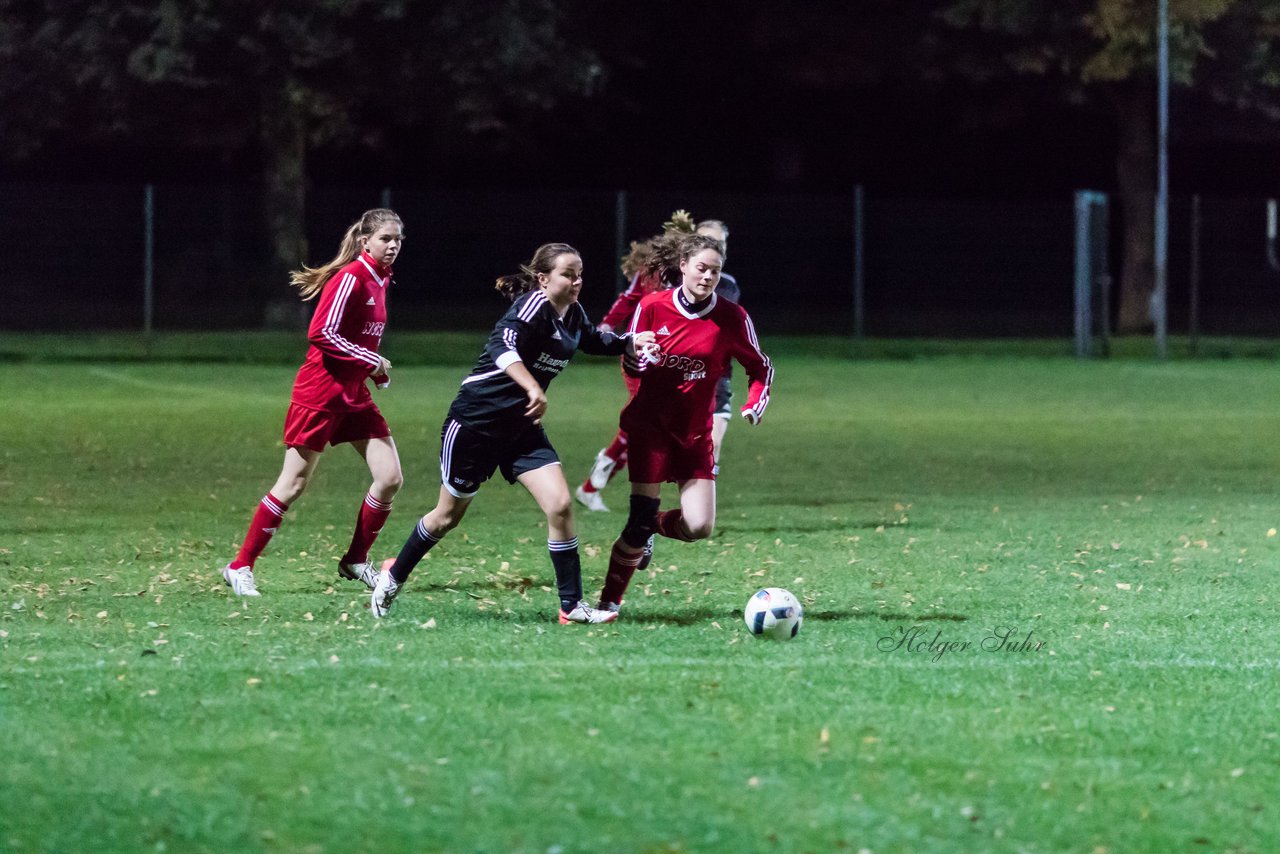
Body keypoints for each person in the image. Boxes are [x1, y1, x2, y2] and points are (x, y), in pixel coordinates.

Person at [371, 243, 656, 623]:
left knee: (560, 505)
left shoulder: (572, 313)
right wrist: (532, 387)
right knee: (446, 516)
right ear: (543, 278)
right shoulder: (530, 307)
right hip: (476, 425)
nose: (577, 281)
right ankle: (393, 576)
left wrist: (628, 341)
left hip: (521, 429)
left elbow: (590, 338)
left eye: (579, 274)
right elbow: (501, 347)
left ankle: (571, 607)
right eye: (568, 274)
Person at [220, 208, 405, 597]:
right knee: (293, 484)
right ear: (365, 241)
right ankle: (239, 567)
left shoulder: (381, 279)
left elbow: (358, 339)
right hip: (319, 396)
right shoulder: (350, 278)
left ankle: (356, 560)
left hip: (353, 396)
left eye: (398, 240)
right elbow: (321, 333)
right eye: (385, 238)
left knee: (389, 477)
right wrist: (372, 360)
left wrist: (373, 368)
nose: (392, 245)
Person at [595, 231, 773, 617]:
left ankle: (651, 528)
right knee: (636, 521)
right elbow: (629, 362)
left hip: (694, 434)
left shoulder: (731, 317)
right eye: (701, 268)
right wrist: (640, 358)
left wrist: (754, 402)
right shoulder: (653, 306)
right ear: (684, 267)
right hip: (650, 430)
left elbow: (760, 366)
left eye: (715, 271)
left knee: (698, 526)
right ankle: (609, 603)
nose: (708, 277)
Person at [575, 216, 742, 514]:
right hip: (647, 357)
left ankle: (598, 487)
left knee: (661, 429)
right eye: (707, 241)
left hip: (691, 369)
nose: (713, 249)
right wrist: (606, 329)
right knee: (645, 421)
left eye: (720, 245)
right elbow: (630, 300)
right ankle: (622, 495)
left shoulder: (717, 284)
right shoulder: (661, 273)